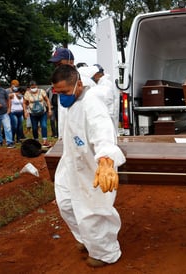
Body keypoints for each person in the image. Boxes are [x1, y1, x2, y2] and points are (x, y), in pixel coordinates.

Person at [51, 64, 126, 267]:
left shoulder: (92, 102)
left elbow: (102, 131)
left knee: (94, 210)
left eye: (65, 92)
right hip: (71, 164)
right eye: (58, 93)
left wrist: (105, 161)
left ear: (79, 85)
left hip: (94, 166)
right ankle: (87, 239)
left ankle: (105, 252)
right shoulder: (72, 102)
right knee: (66, 204)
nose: (62, 97)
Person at [23, 81, 52, 147]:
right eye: (32, 87)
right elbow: (24, 103)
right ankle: (36, 141)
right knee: (34, 128)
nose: (33, 88)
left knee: (44, 126)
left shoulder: (42, 91)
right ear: (30, 87)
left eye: (34, 87)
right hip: (33, 114)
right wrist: (25, 111)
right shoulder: (27, 93)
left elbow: (47, 100)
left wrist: (49, 109)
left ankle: (45, 141)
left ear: (37, 86)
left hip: (42, 112)